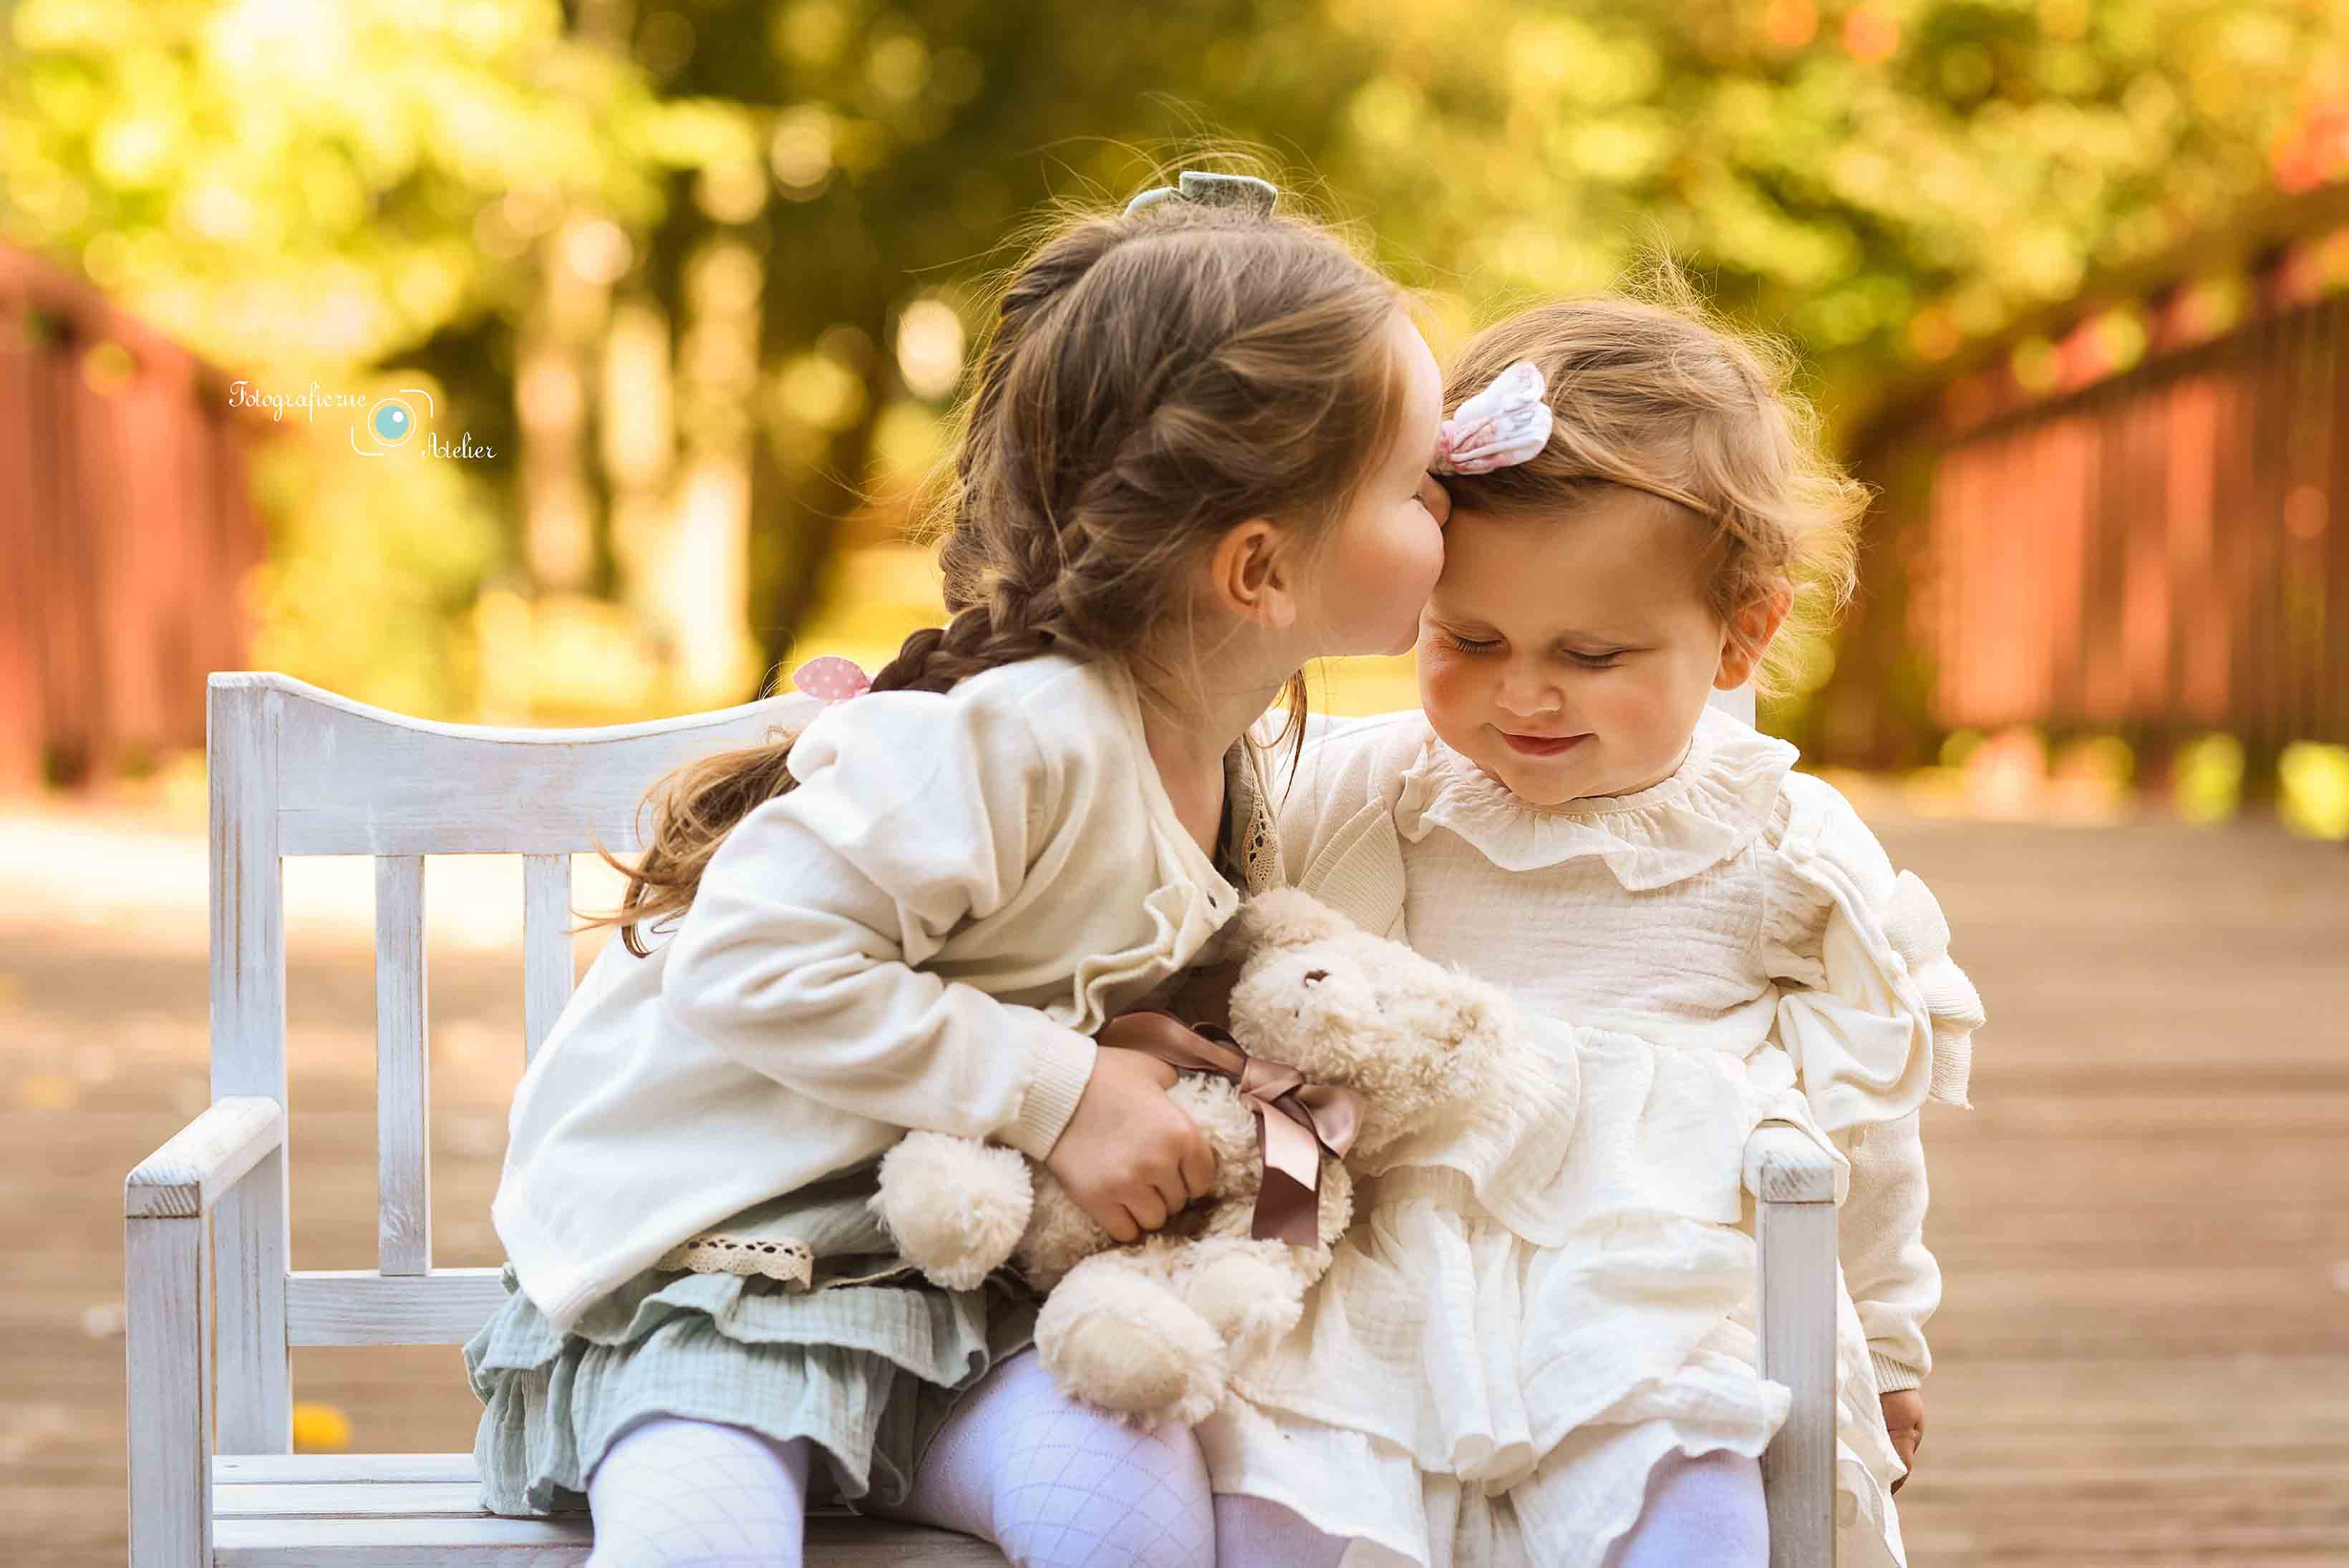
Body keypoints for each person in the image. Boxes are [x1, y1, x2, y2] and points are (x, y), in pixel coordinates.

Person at [462, 169, 1452, 1568]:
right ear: (1257, 570)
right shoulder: (1010, 739)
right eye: (1417, 486)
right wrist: (1057, 1094)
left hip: (958, 1300)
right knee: (704, 1532)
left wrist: (1164, 1061)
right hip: (716, 1279)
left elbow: (1057, 980)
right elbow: (751, 966)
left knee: (1126, 1505)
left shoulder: (1225, 753)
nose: (1450, 515)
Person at [1204, 275, 1985, 1568]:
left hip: (1652, 1288)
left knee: (1688, 1496)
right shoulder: (1367, 792)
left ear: (1739, 639)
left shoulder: (1779, 843)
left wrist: (1889, 1331)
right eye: (1469, 637)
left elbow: (1866, 1121)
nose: (1525, 693)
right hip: (1388, 1264)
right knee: (1288, 1489)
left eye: (1592, 654)